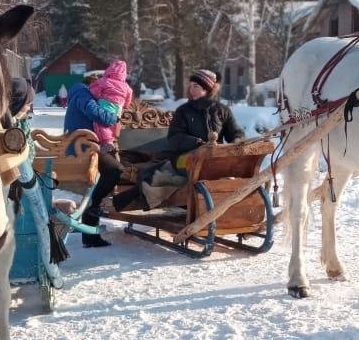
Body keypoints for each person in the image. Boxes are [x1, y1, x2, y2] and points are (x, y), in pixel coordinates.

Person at [112, 68, 243, 211]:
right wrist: (197, 143)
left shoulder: (222, 111)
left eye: (196, 86)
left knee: (221, 168)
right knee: (198, 166)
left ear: (207, 89)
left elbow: (236, 131)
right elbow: (174, 138)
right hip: (182, 158)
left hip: (211, 158)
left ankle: (224, 204)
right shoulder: (183, 111)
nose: (191, 89)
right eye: (190, 85)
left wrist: (237, 140)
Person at [63, 65, 129, 248]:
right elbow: (96, 113)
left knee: (103, 177)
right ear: (92, 81)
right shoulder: (82, 93)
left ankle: (90, 231)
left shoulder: (82, 93)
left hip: (85, 145)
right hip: (81, 147)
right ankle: (94, 206)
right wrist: (114, 118)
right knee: (115, 170)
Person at [87, 60, 133, 154]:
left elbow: (93, 90)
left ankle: (107, 142)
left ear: (109, 69)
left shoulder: (104, 81)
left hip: (106, 105)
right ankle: (113, 139)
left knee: (100, 123)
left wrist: (96, 95)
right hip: (118, 108)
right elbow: (129, 97)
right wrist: (126, 105)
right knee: (114, 123)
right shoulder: (126, 86)